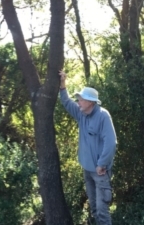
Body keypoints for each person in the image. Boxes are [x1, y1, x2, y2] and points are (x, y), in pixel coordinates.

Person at [58, 70, 117, 225]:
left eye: (81, 99)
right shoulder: (81, 113)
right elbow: (66, 102)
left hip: (100, 172)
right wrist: (63, 84)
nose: (78, 102)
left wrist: (101, 164)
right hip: (87, 170)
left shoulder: (103, 116)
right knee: (95, 210)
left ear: (91, 102)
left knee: (102, 212)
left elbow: (111, 143)